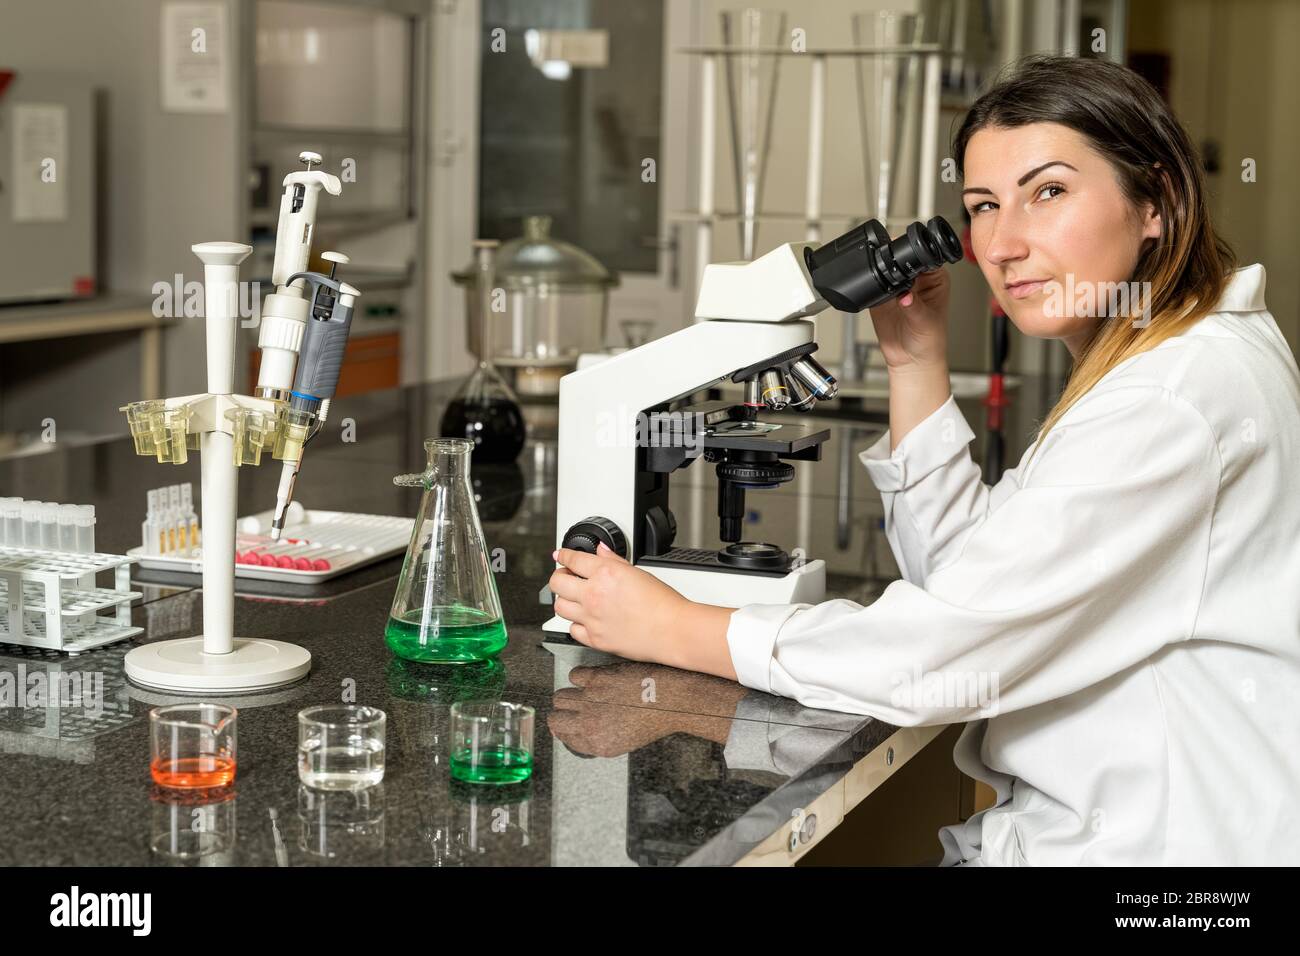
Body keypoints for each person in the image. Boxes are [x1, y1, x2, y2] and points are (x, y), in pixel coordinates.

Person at [548, 54, 1300, 865]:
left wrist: (679, 629)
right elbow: (973, 578)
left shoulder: (1173, 396)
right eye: (982, 206)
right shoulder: (1168, 353)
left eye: (1048, 191)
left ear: (1155, 200)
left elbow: (939, 651)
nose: (1003, 243)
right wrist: (915, 365)